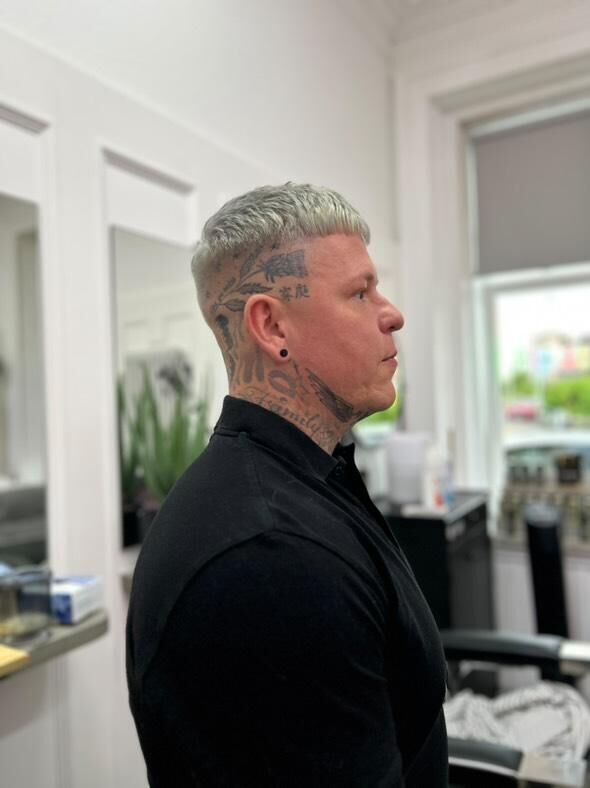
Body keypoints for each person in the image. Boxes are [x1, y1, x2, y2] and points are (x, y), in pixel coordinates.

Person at [126, 183, 448, 786]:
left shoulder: (313, 479)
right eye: (360, 292)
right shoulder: (272, 555)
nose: (392, 313)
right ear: (272, 326)